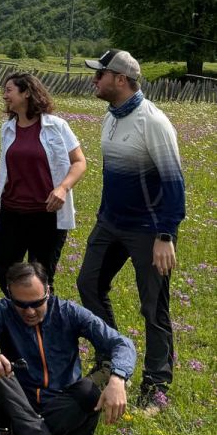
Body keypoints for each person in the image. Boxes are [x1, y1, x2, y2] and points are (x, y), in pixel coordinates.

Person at [76, 50, 185, 413]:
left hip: (149, 231)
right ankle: (111, 360)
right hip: (111, 223)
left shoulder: (152, 121)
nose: (95, 80)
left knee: (154, 307)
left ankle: (157, 387)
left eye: (100, 74)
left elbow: (174, 182)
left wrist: (165, 235)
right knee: (89, 284)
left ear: (120, 80)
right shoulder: (111, 116)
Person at [0, 261, 136, 435]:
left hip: (60, 407)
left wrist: (118, 379)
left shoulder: (68, 312)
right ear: (9, 295)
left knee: (89, 391)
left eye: (37, 303)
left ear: (48, 291)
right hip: (17, 402)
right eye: (21, 304)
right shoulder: (1, 310)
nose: (30, 311)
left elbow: (121, 343)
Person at [0, 73, 87, 294]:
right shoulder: (8, 128)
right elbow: (4, 165)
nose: (4, 95)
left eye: (9, 90)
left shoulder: (56, 126)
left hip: (46, 214)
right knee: (4, 270)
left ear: (26, 92)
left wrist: (62, 188)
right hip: (12, 213)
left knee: (41, 277)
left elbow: (79, 162)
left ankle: (40, 314)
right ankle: (17, 310)